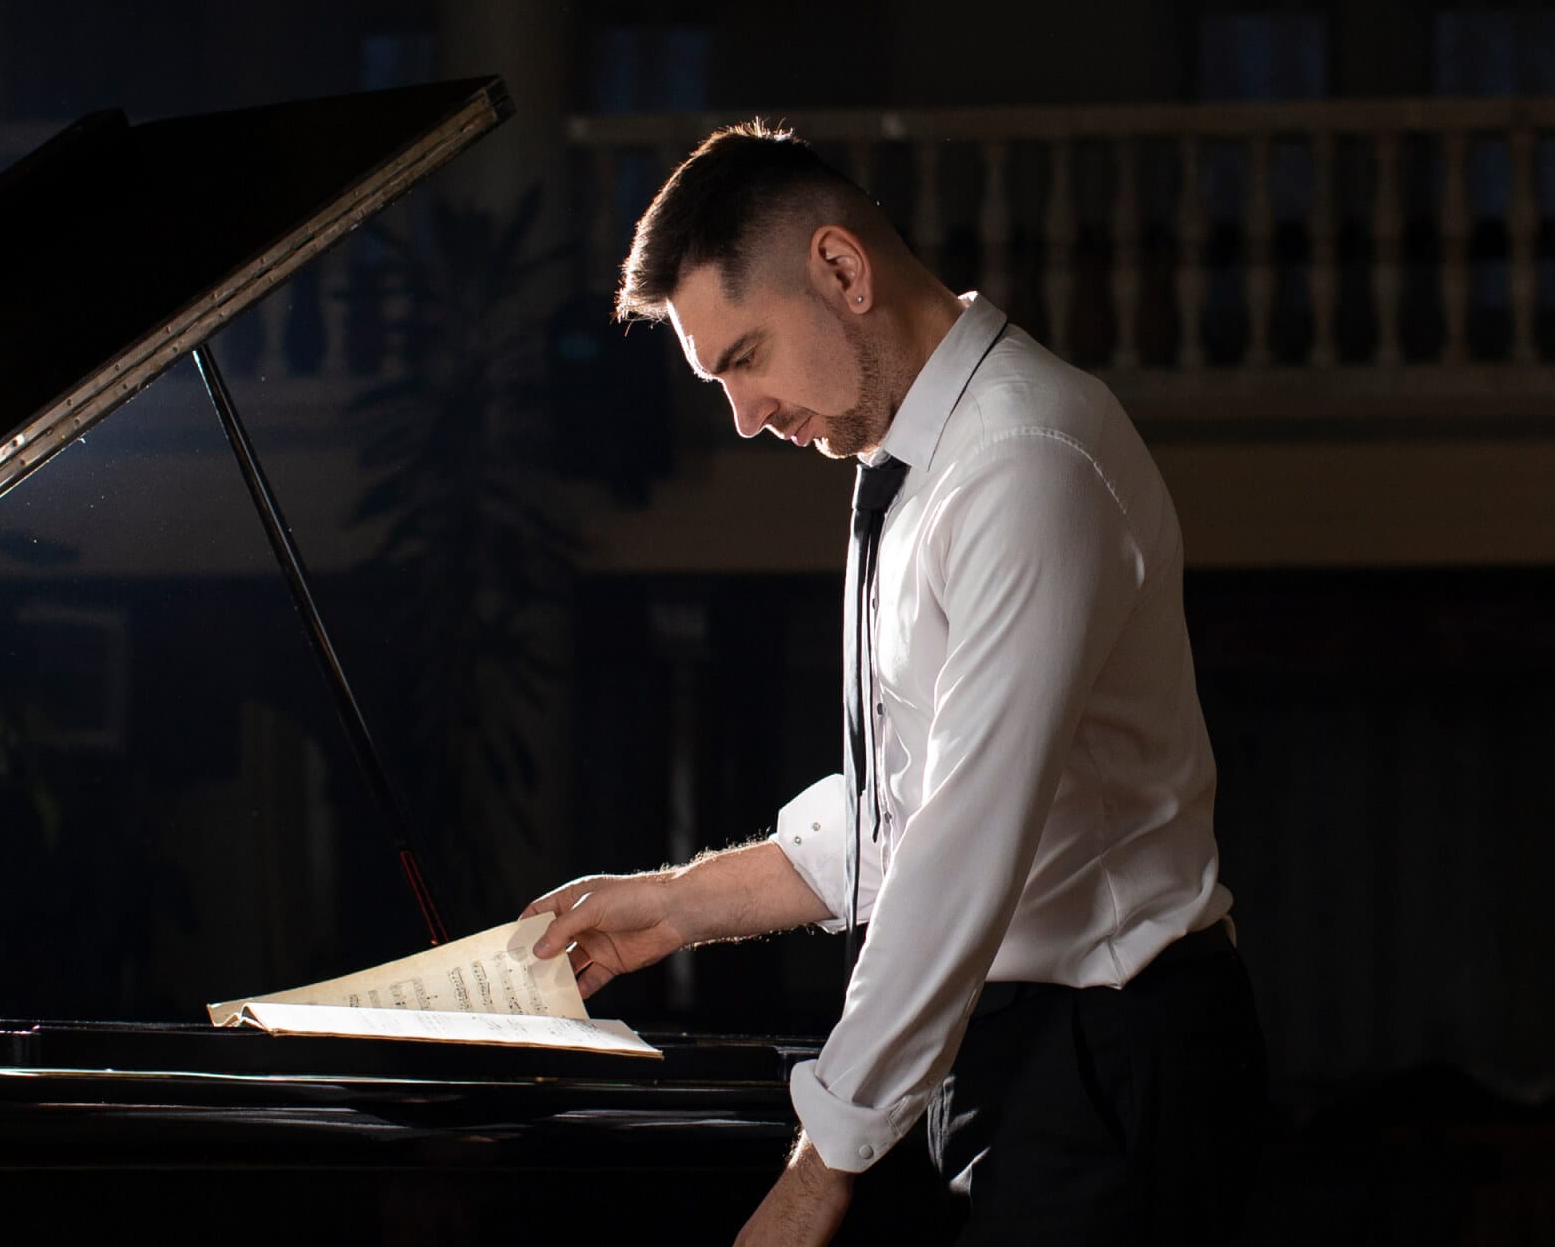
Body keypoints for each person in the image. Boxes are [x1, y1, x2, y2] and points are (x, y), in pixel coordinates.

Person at [523, 122, 1266, 1246]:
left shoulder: (1025, 464)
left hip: (1116, 1058)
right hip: (1027, 1050)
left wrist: (815, 1174)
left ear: (842, 268)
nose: (746, 414)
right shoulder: (911, 461)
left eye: (745, 358)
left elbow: (960, 849)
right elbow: (902, 812)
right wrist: (668, 907)